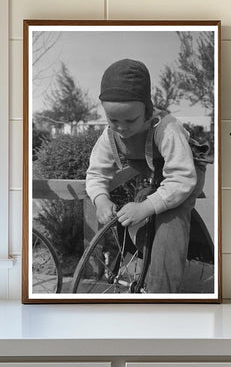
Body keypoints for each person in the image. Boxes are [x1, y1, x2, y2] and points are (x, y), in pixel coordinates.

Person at [85, 58, 208, 293]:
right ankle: (141, 269)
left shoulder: (167, 128)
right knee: (140, 209)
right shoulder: (109, 136)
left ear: (148, 110)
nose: (121, 127)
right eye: (113, 120)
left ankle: (161, 293)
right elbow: (96, 173)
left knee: (169, 225)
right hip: (157, 176)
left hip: (184, 174)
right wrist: (100, 199)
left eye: (130, 120)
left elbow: (181, 179)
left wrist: (147, 207)